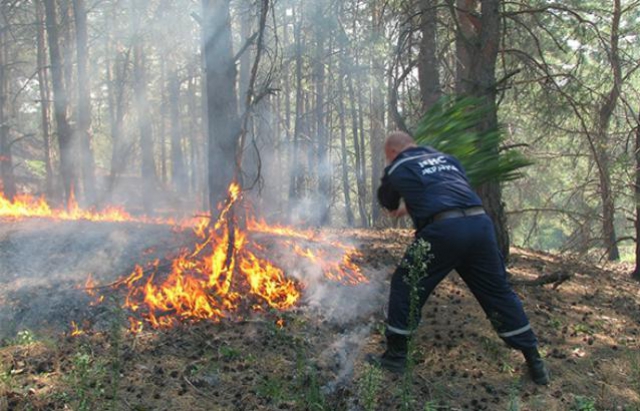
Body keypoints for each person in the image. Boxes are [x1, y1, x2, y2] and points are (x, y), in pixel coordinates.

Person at [367, 131, 550, 385]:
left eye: (388, 157)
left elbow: (386, 200)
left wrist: (394, 205)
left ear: (393, 152)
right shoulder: (448, 160)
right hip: (480, 226)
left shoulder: (400, 165)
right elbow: (444, 190)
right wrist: (411, 205)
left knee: (406, 284)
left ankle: (395, 358)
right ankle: (535, 362)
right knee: (498, 293)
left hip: (442, 232)